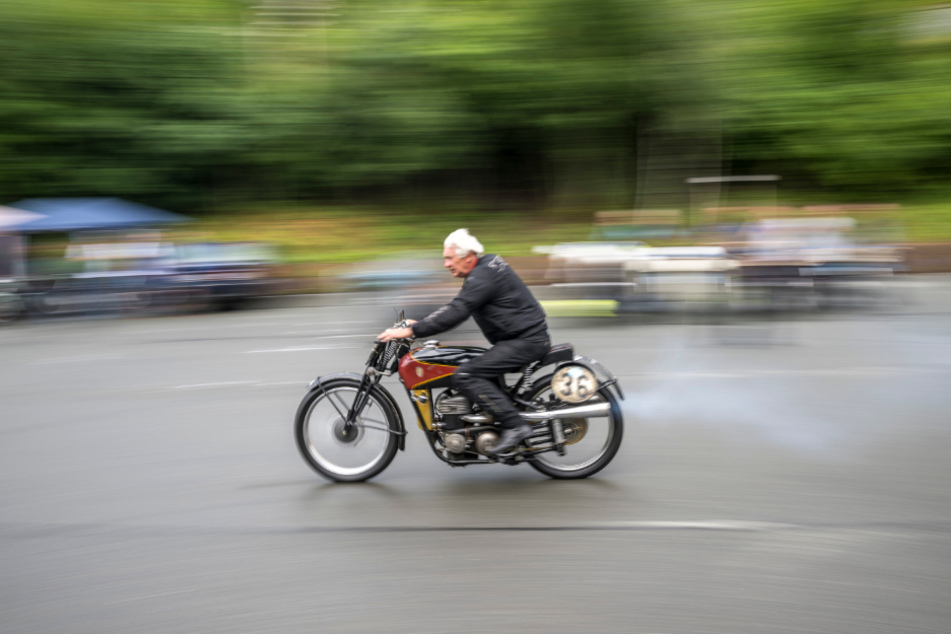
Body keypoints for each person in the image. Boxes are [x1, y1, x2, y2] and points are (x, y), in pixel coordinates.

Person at [377, 228, 550, 456]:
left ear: (468, 256)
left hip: (525, 341)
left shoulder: (482, 277)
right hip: (518, 338)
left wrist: (413, 330)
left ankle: (515, 426)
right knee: (469, 362)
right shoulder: (486, 267)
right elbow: (457, 306)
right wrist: (418, 324)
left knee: (466, 374)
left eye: (450, 258)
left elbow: (458, 310)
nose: (446, 264)